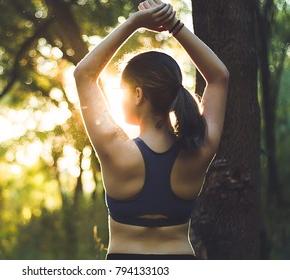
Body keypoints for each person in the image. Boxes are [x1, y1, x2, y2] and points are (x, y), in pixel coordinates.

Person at [74, 0, 229, 260]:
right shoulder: (200, 148)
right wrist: (175, 26)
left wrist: (134, 23)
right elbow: (219, 77)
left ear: (137, 94)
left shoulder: (115, 148)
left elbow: (83, 75)